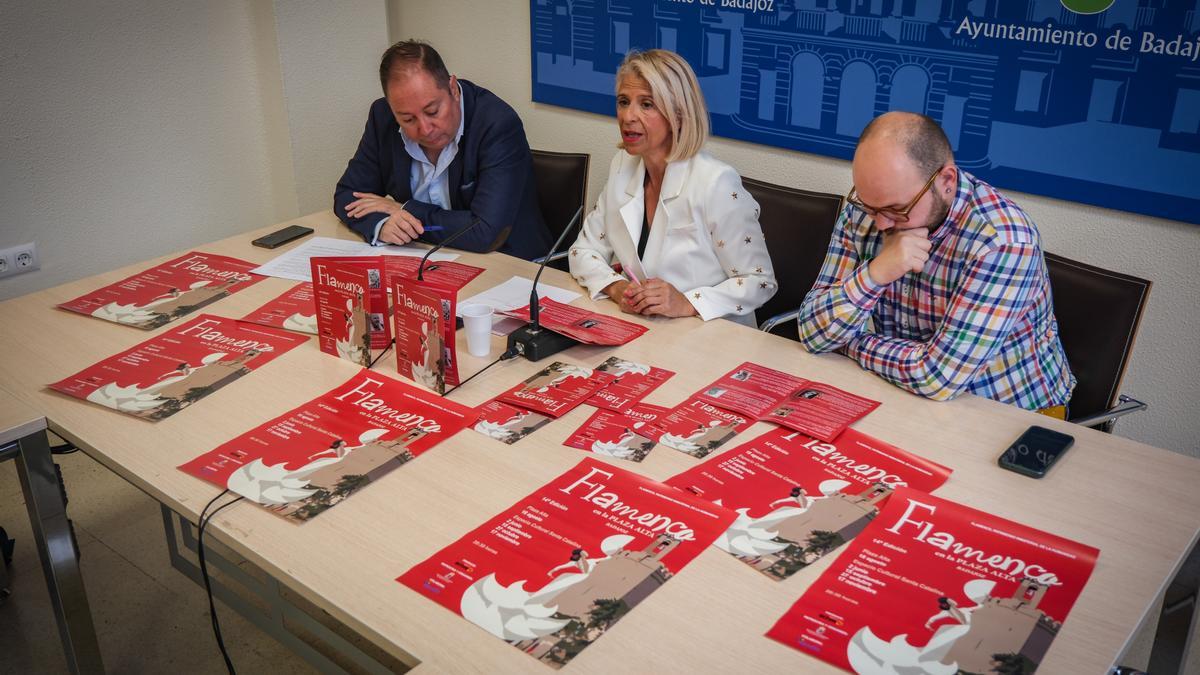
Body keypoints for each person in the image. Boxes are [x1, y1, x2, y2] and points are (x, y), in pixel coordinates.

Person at [796, 112, 1074, 413]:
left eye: (897, 209)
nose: (880, 223)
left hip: (1011, 413)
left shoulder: (1003, 241)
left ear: (946, 181)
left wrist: (851, 342)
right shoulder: (867, 212)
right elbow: (812, 331)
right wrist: (875, 273)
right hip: (905, 393)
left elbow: (938, 377)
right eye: (869, 205)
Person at [568, 50, 776, 326]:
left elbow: (761, 282)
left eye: (647, 104)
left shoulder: (716, 182)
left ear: (679, 114)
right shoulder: (622, 166)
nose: (628, 116)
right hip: (645, 329)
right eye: (623, 101)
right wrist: (617, 288)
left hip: (710, 337)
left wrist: (688, 302)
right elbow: (582, 252)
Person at [334, 40, 552, 260]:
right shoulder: (382, 118)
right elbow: (348, 195)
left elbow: (485, 232)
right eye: (408, 119)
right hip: (423, 259)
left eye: (433, 111)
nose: (425, 129)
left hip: (506, 263)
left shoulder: (496, 124)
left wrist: (404, 211)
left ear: (453, 89)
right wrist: (381, 225)